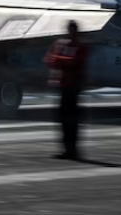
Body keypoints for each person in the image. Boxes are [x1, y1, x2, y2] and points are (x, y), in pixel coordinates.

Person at [43, 20, 90, 160]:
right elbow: (49, 60)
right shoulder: (63, 44)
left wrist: (59, 59)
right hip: (64, 85)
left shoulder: (79, 46)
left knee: (71, 120)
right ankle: (66, 149)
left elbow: (74, 61)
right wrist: (62, 60)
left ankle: (72, 150)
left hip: (73, 86)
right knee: (64, 120)